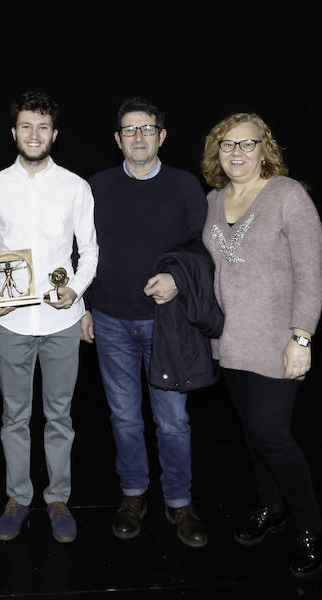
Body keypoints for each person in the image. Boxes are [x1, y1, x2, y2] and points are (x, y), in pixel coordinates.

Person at [200, 112, 322, 578]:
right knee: (253, 434)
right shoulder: (213, 200)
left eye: (247, 144)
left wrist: (301, 338)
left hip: (279, 342)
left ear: (264, 149)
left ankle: (311, 525)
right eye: (227, 144)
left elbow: (311, 275)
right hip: (230, 344)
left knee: (273, 435)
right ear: (217, 152)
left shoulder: (287, 196)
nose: (237, 152)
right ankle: (270, 507)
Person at [83, 97, 214, 547]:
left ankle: (179, 501)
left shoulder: (184, 186)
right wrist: (81, 306)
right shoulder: (96, 186)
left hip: (166, 323)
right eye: (129, 130)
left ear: (161, 136)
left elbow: (202, 247)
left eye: (147, 129)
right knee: (123, 417)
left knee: (173, 420)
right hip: (110, 320)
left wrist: (178, 279)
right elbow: (79, 251)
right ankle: (133, 495)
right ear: (117, 139)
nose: (138, 137)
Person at [0, 90, 98, 543]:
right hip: (11, 321)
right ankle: (17, 497)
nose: (34, 134)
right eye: (26, 126)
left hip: (61, 321)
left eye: (42, 127)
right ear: (14, 132)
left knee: (59, 416)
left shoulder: (75, 187)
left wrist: (76, 290)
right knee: (13, 415)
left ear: (54, 134)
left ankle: (58, 497)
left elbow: (88, 251)